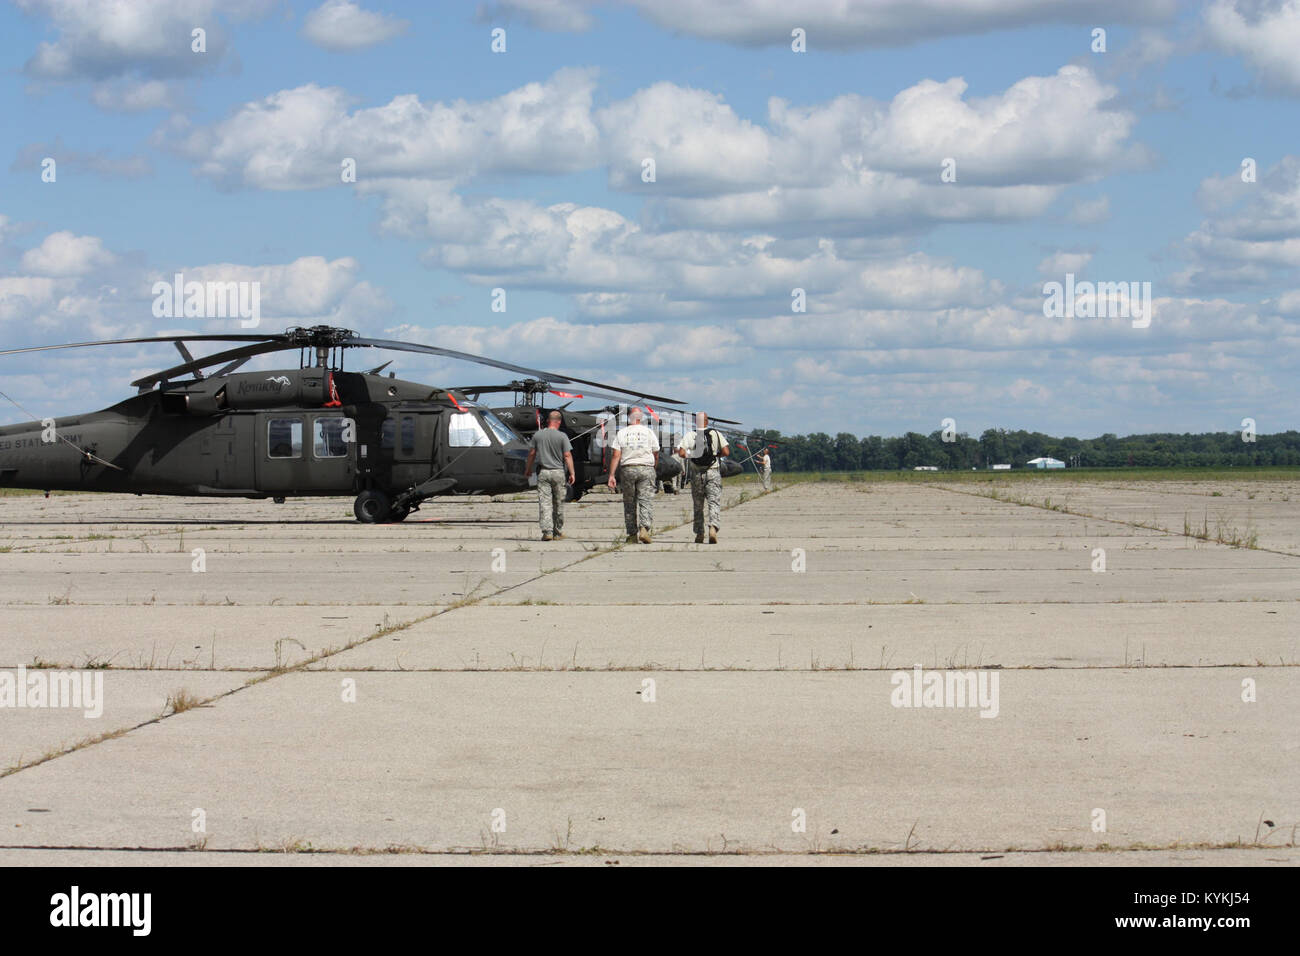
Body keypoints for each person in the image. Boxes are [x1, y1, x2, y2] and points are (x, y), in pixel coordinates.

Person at [607, 406, 660, 543]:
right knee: (645, 501)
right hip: (646, 468)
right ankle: (644, 529)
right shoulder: (649, 432)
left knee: (629, 503)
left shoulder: (622, 433)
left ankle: (631, 535)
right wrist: (653, 468)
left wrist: (612, 475)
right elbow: (656, 453)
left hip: (628, 468)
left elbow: (616, 455)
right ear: (640, 418)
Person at [677, 413, 729, 544]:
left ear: (696, 422)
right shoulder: (716, 434)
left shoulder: (691, 435)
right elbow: (726, 452)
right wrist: (715, 454)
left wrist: (694, 454)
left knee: (698, 505)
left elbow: (681, 453)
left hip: (696, 474)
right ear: (707, 421)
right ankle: (713, 528)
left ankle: (699, 533)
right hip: (713, 472)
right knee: (714, 502)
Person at [524, 410, 575, 541]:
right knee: (558, 503)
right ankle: (557, 532)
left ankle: (547, 531)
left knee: (545, 503)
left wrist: (528, 469)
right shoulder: (562, 436)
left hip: (544, 472)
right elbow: (567, 455)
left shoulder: (538, 435)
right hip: (558, 472)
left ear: (548, 421)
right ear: (559, 422)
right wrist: (572, 472)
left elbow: (531, 454)